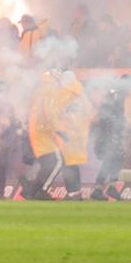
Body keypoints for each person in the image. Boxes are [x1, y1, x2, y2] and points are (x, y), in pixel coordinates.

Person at [25, 71, 65, 200]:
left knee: (48, 164)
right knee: (58, 161)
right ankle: (41, 190)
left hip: (36, 130)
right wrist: (58, 129)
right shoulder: (50, 91)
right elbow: (49, 112)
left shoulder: (39, 91)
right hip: (43, 132)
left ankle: (31, 191)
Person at [55, 72, 93, 201]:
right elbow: (90, 113)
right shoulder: (82, 94)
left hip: (66, 134)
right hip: (79, 135)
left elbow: (55, 112)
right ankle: (76, 192)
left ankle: (72, 193)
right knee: (73, 164)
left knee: (67, 164)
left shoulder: (64, 94)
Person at [90, 85, 127, 201]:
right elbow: (114, 124)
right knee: (110, 162)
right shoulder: (111, 109)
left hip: (107, 140)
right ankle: (103, 188)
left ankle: (104, 188)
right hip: (109, 140)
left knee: (112, 162)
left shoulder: (105, 107)